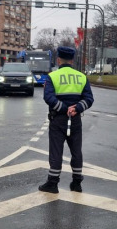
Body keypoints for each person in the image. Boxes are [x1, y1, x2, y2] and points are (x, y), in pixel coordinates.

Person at [39, 46, 94, 194]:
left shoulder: (53, 76)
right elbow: (89, 99)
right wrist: (77, 108)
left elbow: (48, 97)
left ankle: (53, 184)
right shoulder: (81, 77)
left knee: (56, 151)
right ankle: (76, 183)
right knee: (76, 151)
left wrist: (64, 108)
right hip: (75, 120)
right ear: (72, 60)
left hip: (58, 119)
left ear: (58, 59)